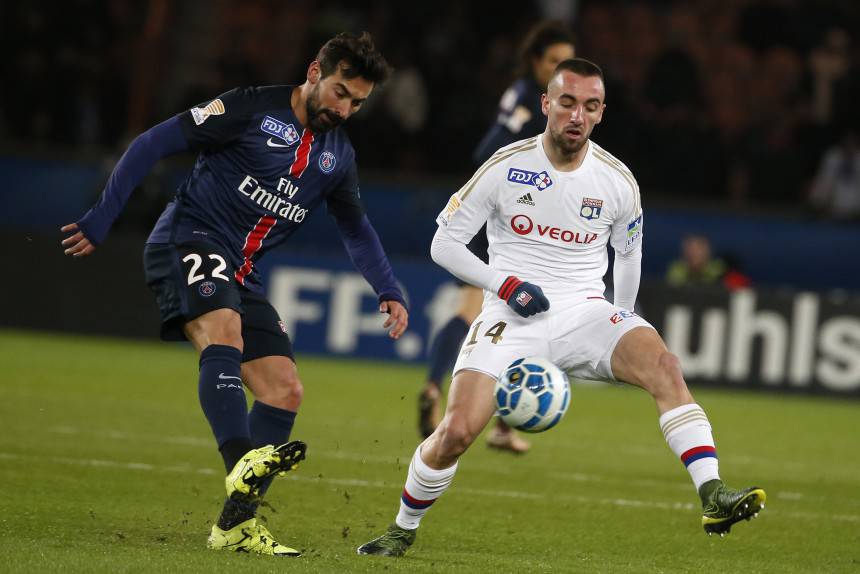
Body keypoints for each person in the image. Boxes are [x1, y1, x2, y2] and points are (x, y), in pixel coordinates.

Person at [358, 58, 765, 557]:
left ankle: (712, 493)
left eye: (590, 106)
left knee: (665, 365)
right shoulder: (507, 166)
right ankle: (403, 527)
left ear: (601, 113)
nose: (577, 115)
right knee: (457, 432)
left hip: (585, 311)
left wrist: (622, 319)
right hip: (510, 315)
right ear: (546, 103)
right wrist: (502, 284)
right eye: (567, 102)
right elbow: (444, 243)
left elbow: (628, 254)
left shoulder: (617, 181)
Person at [61, 32, 409, 557]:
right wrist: (103, 216)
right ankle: (242, 456)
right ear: (315, 72)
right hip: (187, 238)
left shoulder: (338, 157)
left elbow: (356, 229)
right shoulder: (250, 107)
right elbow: (154, 142)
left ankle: (235, 527)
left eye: (357, 102)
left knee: (283, 389)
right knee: (223, 328)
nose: (345, 109)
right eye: (340, 92)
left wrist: (388, 287)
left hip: (242, 273)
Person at [418, 21, 575, 453]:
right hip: (508, 225)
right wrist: (523, 184)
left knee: (478, 311)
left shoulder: (528, 96)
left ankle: (440, 390)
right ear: (535, 64)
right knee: (525, 317)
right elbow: (487, 151)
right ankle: (497, 420)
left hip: (506, 220)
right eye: (553, 61)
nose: (561, 68)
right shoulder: (530, 99)